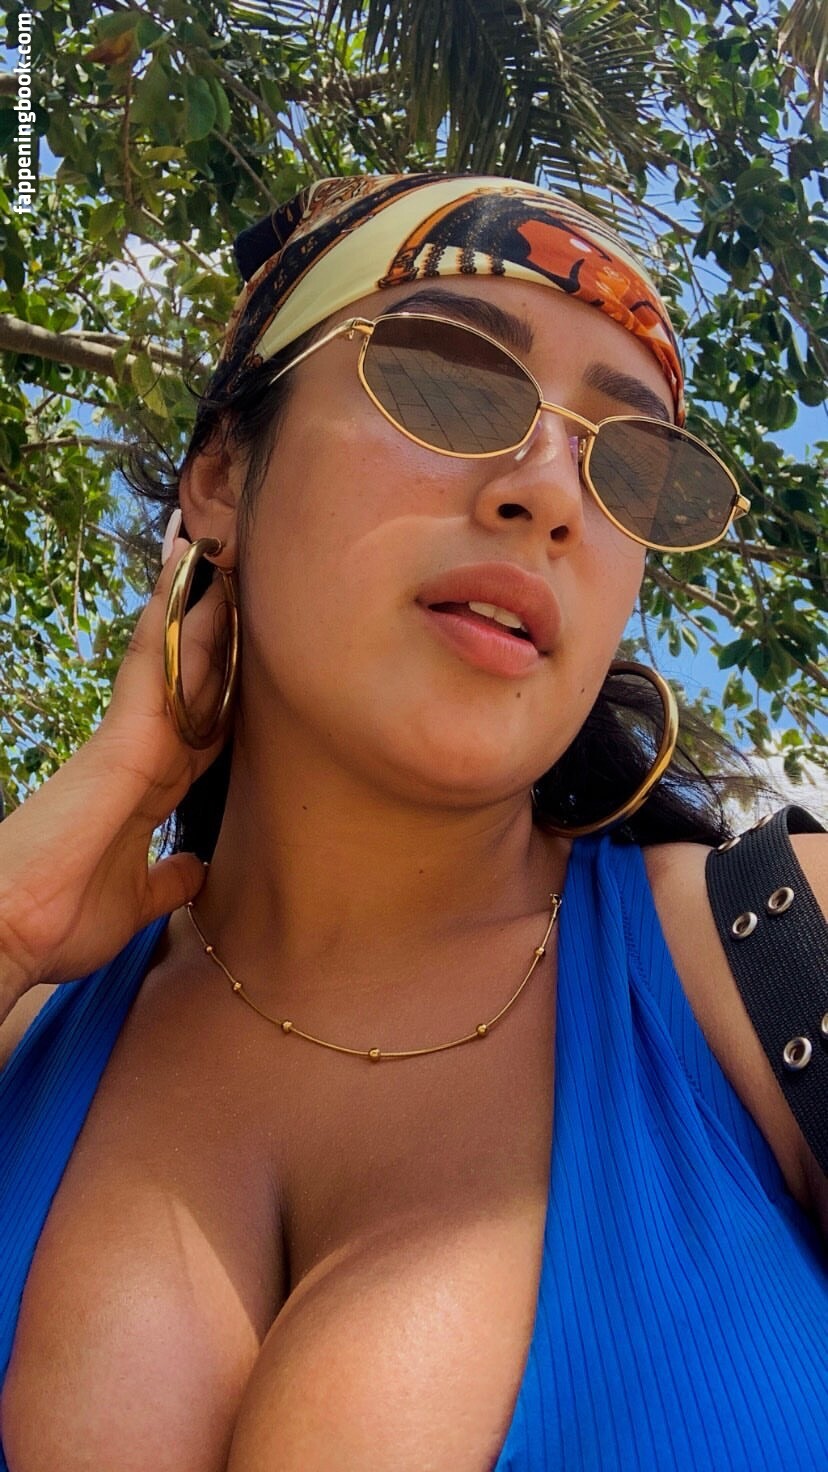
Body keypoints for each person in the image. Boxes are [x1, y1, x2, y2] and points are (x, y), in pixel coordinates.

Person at [0, 173, 825, 1472]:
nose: (551, 493)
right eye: (449, 381)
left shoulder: (773, 954)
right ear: (220, 477)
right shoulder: (26, 1012)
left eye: (630, 467)